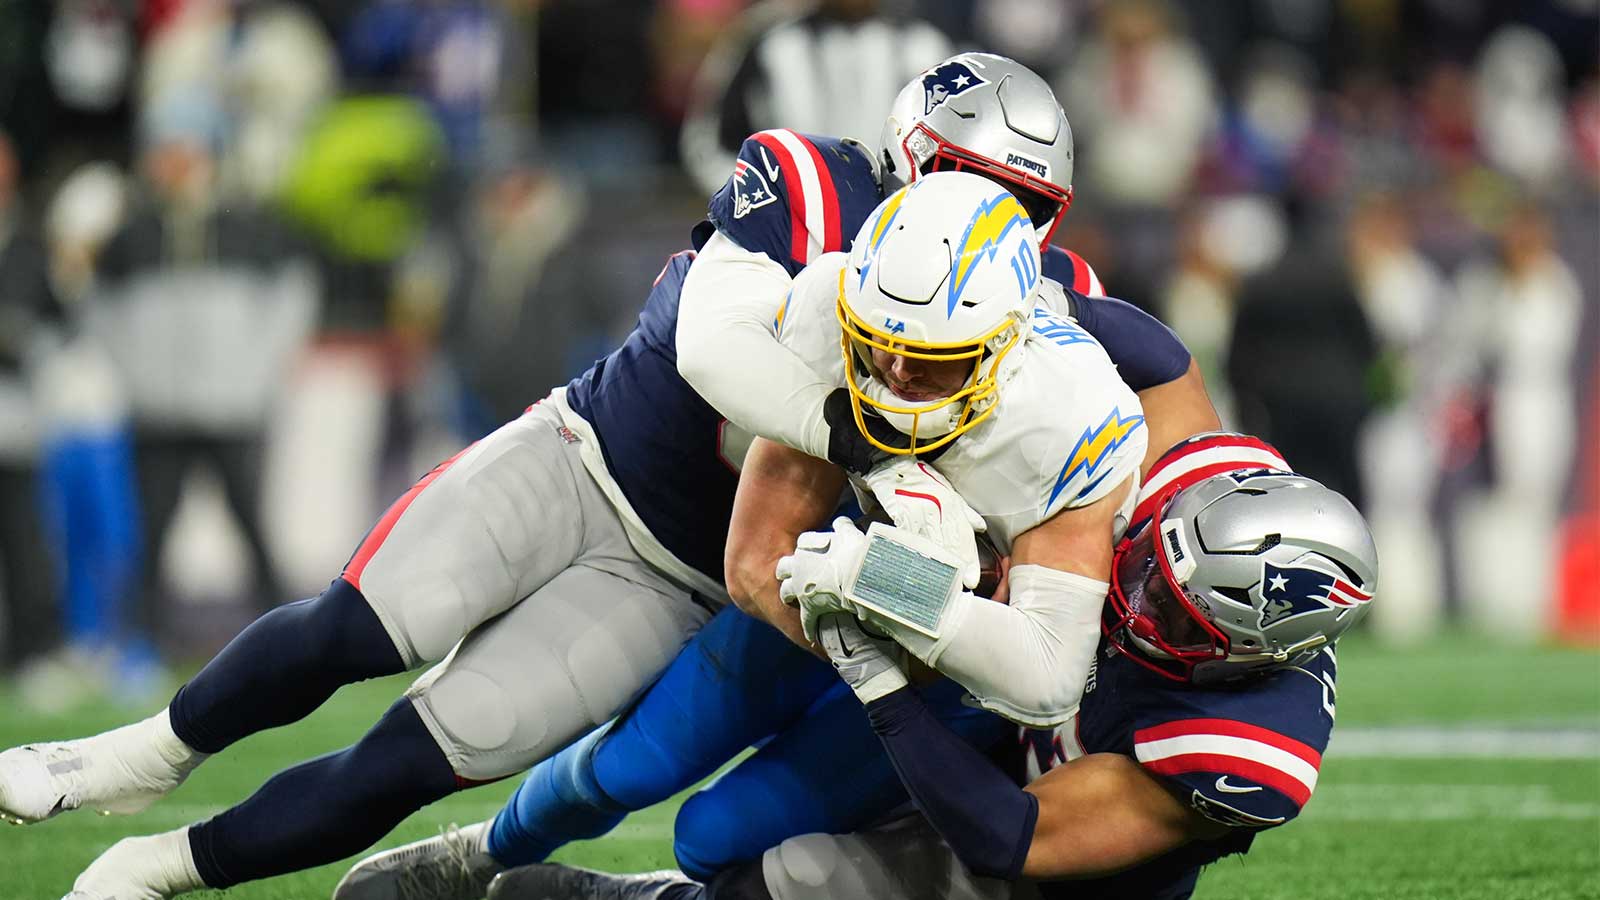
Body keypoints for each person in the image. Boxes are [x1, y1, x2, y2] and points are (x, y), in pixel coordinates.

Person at [2, 54, 1196, 900]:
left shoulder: (1032, 300)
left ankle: (162, 868)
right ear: (912, 153)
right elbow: (714, 351)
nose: (1003, 218)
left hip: (677, 580)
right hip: (584, 457)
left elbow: (1146, 355)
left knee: (415, 761)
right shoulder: (803, 180)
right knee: (352, 629)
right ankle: (142, 755)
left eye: (1030, 205)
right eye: (989, 185)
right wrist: (876, 450)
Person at [336, 165, 1213, 900]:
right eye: (879, 347)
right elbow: (755, 560)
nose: (895, 376)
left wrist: (889, 599)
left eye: (931, 362)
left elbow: (1048, 676)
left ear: (1004, 345)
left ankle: (653, 895)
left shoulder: (1075, 420)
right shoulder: (831, 305)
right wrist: (862, 559)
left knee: (713, 836)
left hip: (945, 678)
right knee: (630, 767)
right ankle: (482, 851)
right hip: (810, 599)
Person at [487, 433, 1377, 900]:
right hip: (981, 703)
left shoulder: (1245, 749)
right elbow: (1134, 354)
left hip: (1036, 862)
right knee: (710, 828)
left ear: (1250, 656)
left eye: (1170, 613)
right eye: (1146, 561)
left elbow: (1011, 838)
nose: (1133, 596)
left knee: (785, 886)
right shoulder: (1206, 472)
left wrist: (880, 686)